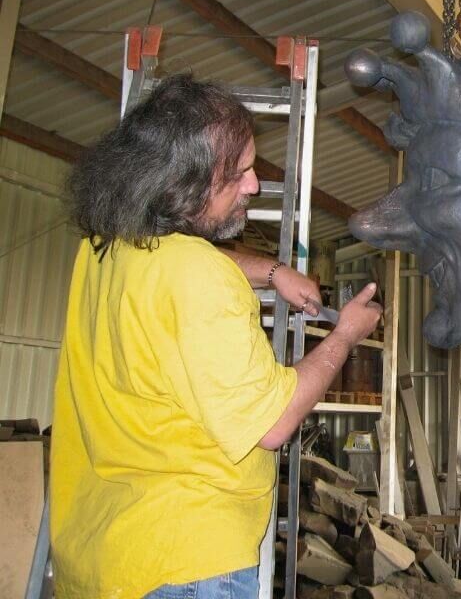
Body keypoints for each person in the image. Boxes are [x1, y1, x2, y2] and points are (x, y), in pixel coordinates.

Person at [50, 74, 382, 598]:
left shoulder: (104, 248)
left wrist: (272, 272)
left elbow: (176, 258)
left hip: (104, 557)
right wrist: (344, 336)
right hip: (188, 561)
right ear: (183, 184)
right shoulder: (201, 278)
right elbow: (273, 423)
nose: (254, 185)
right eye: (239, 173)